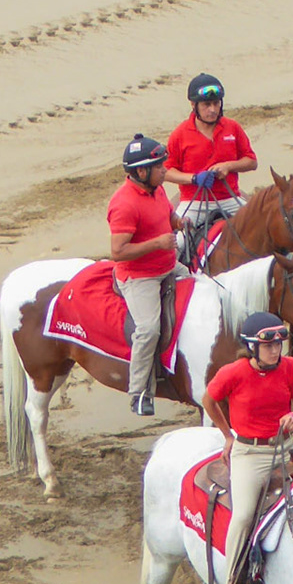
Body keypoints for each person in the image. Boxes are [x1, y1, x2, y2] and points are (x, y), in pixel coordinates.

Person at [202, 312, 293, 584]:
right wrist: (227, 436)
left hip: (285, 447)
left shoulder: (292, 367)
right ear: (252, 347)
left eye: (279, 343)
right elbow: (208, 400)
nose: (276, 350)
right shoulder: (233, 372)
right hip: (249, 454)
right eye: (268, 345)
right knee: (244, 515)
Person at [108, 134, 184, 417]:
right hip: (140, 277)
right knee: (148, 330)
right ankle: (139, 392)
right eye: (159, 166)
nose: (165, 170)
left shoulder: (158, 189)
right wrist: (158, 243)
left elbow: (166, 215)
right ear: (141, 172)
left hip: (168, 265)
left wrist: (177, 221)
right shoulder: (124, 204)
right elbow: (118, 251)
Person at [164, 73, 258, 254]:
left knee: (263, 229)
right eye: (207, 105)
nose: (213, 109)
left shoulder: (233, 128)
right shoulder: (180, 134)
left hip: (229, 198)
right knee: (178, 245)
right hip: (194, 202)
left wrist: (229, 166)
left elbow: (251, 161)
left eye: (216, 103)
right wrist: (193, 178)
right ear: (194, 105)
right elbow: (167, 171)